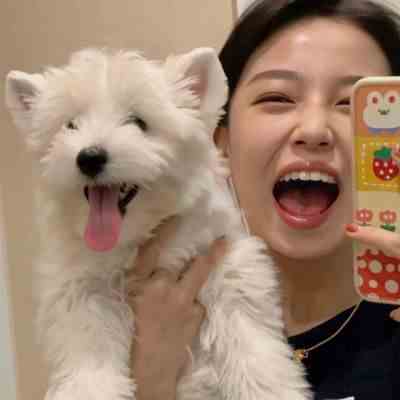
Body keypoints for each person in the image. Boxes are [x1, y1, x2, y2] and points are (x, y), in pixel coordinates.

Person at [127, 1, 400, 399]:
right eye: (278, 98)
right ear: (219, 142)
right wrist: (150, 380)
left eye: (350, 102)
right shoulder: (142, 323)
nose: (314, 130)